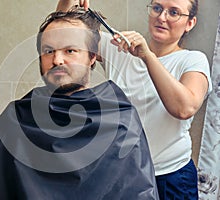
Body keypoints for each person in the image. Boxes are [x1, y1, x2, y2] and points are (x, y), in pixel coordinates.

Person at [0, 7, 159, 200]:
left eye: (70, 50)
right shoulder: (16, 119)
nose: (57, 60)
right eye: (48, 51)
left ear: (92, 56)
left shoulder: (120, 120)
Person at [57, 0, 212, 199]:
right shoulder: (119, 48)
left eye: (174, 12)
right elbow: (63, 33)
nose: (162, 17)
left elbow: (184, 108)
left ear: (190, 23)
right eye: (157, 8)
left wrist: (147, 56)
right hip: (123, 174)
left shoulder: (193, 60)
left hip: (171, 178)